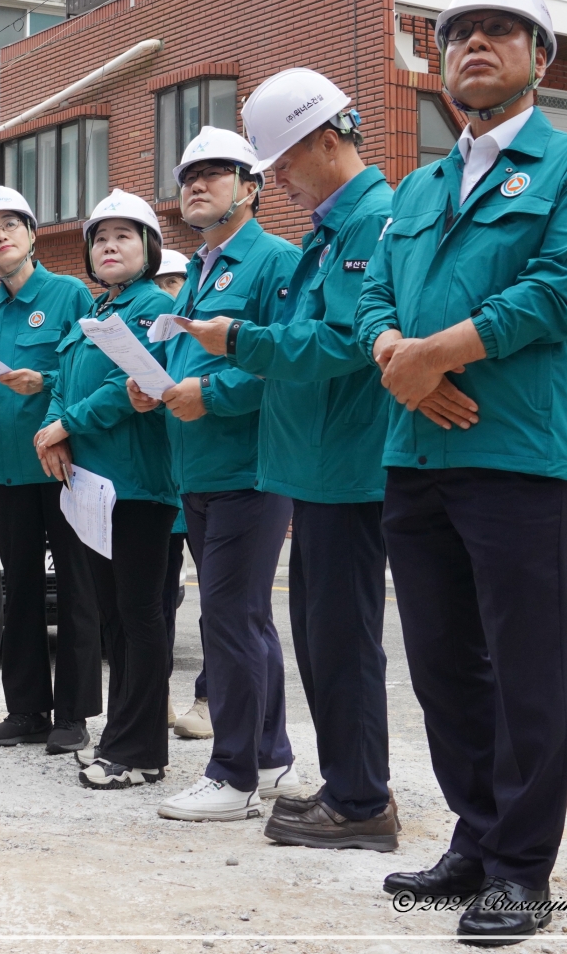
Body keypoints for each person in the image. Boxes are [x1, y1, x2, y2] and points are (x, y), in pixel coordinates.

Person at [357, 0, 567, 944]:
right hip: (412, 452)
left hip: (518, 454)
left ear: (538, 59)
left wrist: (437, 352)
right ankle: (474, 838)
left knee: (522, 667)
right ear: (437, 68)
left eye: (500, 30)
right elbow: (372, 299)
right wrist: (397, 355)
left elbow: (565, 290)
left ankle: (520, 869)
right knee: (440, 664)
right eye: (459, 31)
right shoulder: (415, 187)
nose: (475, 42)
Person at [181, 71, 405, 849]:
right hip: (317, 465)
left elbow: (344, 344)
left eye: (282, 163)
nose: (277, 179)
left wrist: (237, 340)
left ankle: (362, 800)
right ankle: (348, 787)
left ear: (328, 140)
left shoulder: (372, 221)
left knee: (342, 639)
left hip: (346, 464)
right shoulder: (331, 231)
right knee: (320, 635)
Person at [117, 134, 299, 821]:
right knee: (245, 616)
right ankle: (271, 750)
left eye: (215, 173)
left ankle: (234, 772)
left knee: (227, 616)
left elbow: (281, 361)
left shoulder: (276, 261)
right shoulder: (196, 271)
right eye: (188, 174)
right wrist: (151, 390)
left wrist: (208, 395)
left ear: (250, 186)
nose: (197, 184)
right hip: (198, 468)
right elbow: (184, 363)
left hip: (250, 467)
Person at [34, 189, 179, 790]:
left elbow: (133, 387)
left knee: (142, 617)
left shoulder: (153, 311)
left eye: (124, 235)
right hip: (89, 490)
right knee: (115, 620)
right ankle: (125, 736)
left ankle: (140, 749)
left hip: (141, 488)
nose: (109, 245)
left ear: (148, 248)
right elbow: (63, 384)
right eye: (100, 237)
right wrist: (56, 431)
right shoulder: (92, 315)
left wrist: (66, 424)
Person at [0, 186, 101, 756]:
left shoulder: (69, 294)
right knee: (16, 589)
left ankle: (73, 714)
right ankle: (26, 709)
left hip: (63, 464)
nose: (1, 235)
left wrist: (41, 383)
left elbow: (89, 369)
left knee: (77, 588)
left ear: (33, 233)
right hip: (9, 468)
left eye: (10, 224)